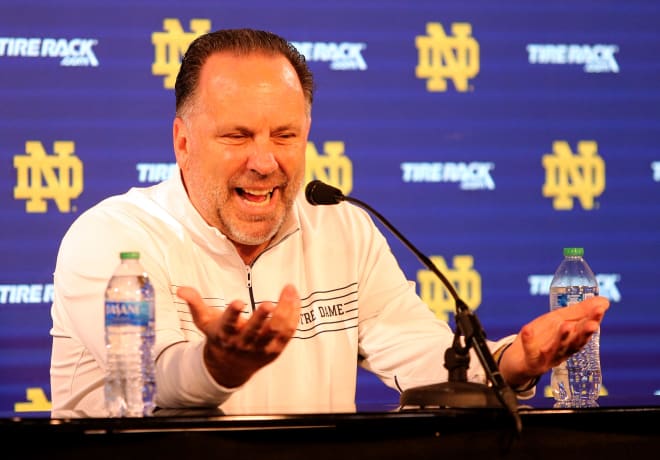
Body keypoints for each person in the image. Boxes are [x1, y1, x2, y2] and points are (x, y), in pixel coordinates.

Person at [49, 28, 609, 418]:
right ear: (183, 142)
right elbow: (160, 381)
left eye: (286, 136)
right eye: (238, 136)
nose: (265, 161)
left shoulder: (342, 227)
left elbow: (428, 361)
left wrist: (514, 361)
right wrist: (217, 364)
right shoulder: (114, 238)